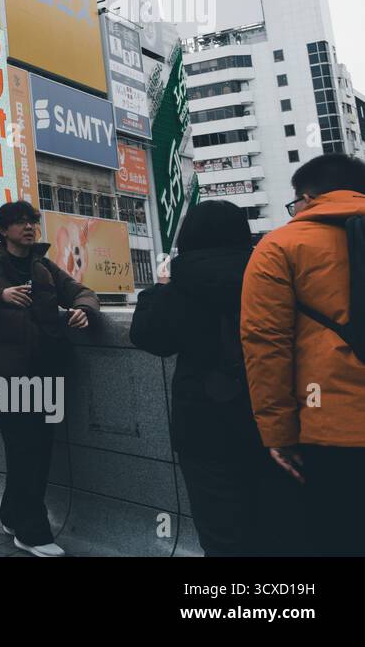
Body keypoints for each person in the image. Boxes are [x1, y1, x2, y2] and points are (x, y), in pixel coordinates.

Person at [130, 200, 303, 556]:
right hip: (272, 418)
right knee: (279, 526)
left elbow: (150, 337)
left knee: (220, 530)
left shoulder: (180, 283)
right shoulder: (271, 271)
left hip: (202, 422)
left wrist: (159, 289)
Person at [0, 200, 99, 557]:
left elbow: (83, 292)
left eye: (32, 221)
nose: (29, 227)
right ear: (3, 231)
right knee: (24, 450)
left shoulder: (44, 267)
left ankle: (13, 515)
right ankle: (31, 531)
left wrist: (83, 310)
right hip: (6, 378)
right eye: (20, 222)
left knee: (36, 450)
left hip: (45, 373)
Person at [241, 153, 365, 556]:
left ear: (307, 198)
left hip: (331, 429)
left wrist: (277, 435)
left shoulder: (280, 246)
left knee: (339, 537)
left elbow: (266, 345)